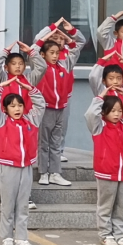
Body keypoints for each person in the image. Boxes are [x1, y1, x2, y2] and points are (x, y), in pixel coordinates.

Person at [0, 79, 45, 245]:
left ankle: (21, 239)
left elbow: (40, 104)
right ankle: (7, 238)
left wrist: (31, 89)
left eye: (20, 105)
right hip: (9, 168)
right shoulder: (1, 121)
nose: (17, 109)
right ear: (6, 109)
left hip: (26, 167)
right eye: (12, 106)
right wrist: (0, 88)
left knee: (23, 205)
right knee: (8, 204)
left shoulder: (31, 121)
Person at [84, 87, 123, 245]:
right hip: (106, 172)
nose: (116, 114)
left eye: (119, 111)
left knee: (121, 206)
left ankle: (120, 235)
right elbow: (90, 114)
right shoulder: (99, 127)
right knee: (105, 206)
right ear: (104, 113)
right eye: (112, 111)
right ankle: (105, 235)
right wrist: (100, 97)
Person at [35, 22, 86, 187]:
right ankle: (43, 173)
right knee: (44, 143)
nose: (55, 56)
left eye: (57, 52)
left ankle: (55, 173)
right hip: (45, 109)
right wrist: (51, 28)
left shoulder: (65, 64)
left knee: (56, 143)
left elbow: (78, 44)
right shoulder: (41, 66)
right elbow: (36, 45)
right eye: (51, 53)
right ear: (44, 55)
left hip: (60, 108)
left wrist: (68, 34)